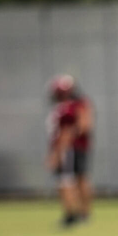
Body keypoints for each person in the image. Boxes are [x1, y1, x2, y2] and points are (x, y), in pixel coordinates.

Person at [46, 73, 93, 227]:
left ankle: (72, 214)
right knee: (79, 179)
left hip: (69, 149)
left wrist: (59, 150)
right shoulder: (76, 104)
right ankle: (82, 214)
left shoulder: (71, 107)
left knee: (67, 180)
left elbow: (82, 126)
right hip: (74, 147)